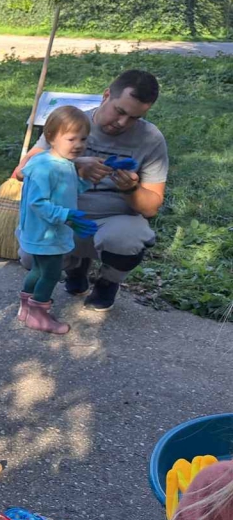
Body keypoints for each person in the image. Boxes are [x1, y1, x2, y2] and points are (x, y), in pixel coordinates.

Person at [14, 70, 167, 312]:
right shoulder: (71, 124)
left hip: (112, 221)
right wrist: (72, 164)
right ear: (106, 95)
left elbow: (151, 207)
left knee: (128, 239)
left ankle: (108, 282)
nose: (123, 123)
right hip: (63, 216)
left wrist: (131, 189)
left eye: (134, 118)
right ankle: (75, 267)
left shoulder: (150, 139)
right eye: (120, 111)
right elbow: (22, 172)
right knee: (30, 257)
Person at [15, 106, 98, 335]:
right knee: (51, 274)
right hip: (45, 232)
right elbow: (37, 202)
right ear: (50, 137)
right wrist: (65, 215)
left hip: (48, 231)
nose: (79, 144)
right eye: (71, 138)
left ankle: (26, 309)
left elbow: (66, 192)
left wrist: (85, 180)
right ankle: (38, 316)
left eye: (83, 138)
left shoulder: (63, 163)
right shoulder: (44, 167)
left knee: (39, 271)